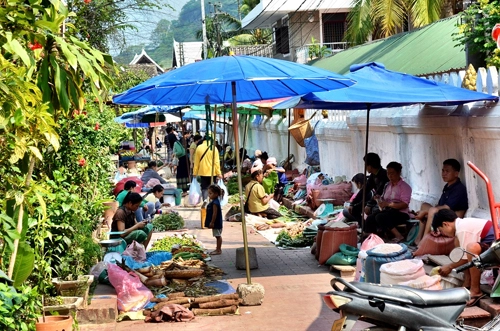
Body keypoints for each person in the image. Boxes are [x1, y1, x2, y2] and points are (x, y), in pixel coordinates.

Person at [432, 209, 494, 306]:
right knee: (461, 246)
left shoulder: (462, 229)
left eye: (441, 230)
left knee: (471, 249)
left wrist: (449, 266)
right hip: (491, 245)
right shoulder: (461, 225)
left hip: (495, 247)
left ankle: (476, 290)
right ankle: (468, 282)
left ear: (445, 224)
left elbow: (467, 258)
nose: (443, 233)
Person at [414, 159, 469, 245]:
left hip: (453, 217)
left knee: (432, 210)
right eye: (443, 171)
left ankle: (424, 242)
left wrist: (426, 212)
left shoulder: (459, 188)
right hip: (445, 213)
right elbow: (440, 205)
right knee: (424, 205)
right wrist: (425, 212)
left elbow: (446, 207)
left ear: (456, 173)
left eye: (447, 171)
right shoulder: (447, 186)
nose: (444, 173)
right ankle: (418, 239)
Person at [364, 162, 412, 243]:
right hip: (388, 211)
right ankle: (372, 238)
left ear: (399, 173)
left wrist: (388, 204)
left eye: (392, 173)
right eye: (388, 173)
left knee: (380, 217)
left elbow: (404, 204)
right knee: (370, 218)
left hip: (401, 213)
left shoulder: (405, 187)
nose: (390, 176)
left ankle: (399, 236)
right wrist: (379, 199)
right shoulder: (387, 185)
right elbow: (384, 199)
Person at [193, 135, 222, 201]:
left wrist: (195, 172)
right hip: (212, 172)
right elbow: (216, 162)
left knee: (204, 188)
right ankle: (213, 202)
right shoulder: (214, 148)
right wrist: (219, 173)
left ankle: (205, 202)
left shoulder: (199, 148)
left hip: (203, 172)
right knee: (213, 188)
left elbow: (196, 162)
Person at [204, 184, 224, 255]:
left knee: (218, 236)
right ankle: (217, 249)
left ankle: (218, 250)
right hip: (217, 222)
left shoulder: (215, 203)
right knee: (217, 235)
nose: (209, 195)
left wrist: (212, 222)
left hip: (216, 222)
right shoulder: (214, 201)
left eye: (210, 193)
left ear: (216, 194)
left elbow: (214, 213)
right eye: (208, 193)